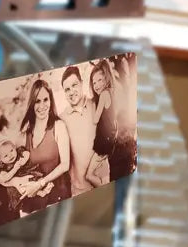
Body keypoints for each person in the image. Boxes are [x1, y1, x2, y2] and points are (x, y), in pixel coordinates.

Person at [19, 79, 71, 213]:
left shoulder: (58, 126)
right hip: (34, 191)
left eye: (45, 100)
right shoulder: (27, 132)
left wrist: (40, 183)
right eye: (37, 101)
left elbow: (65, 165)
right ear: (32, 104)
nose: (42, 105)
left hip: (56, 190)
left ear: (50, 101)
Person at [60, 65, 100, 196]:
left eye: (74, 85)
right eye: (67, 89)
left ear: (82, 83)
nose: (71, 92)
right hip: (79, 189)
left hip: (104, 179)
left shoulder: (97, 105)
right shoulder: (62, 119)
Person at [0, 139, 54, 212]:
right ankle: (40, 193)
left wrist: (23, 160)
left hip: (29, 173)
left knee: (36, 179)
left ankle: (44, 187)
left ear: (14, 147)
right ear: (0, 159)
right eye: (6, 155)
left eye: (11, 150)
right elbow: (4, 178)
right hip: (18, 185)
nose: (10, 155)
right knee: (22, 188)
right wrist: (14, 169)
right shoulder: (3, 167)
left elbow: (27, 153)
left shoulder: (19, 152)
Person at [86, 59, 117, 186]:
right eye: (94, 82)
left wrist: (89, 107)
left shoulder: (104, 94)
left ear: (106, 78)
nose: (97, 85)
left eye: (99, 80)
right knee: (104, 172)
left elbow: (95, 119)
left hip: (103, 144)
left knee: (89, 175)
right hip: (108, 141)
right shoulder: (111, 93)